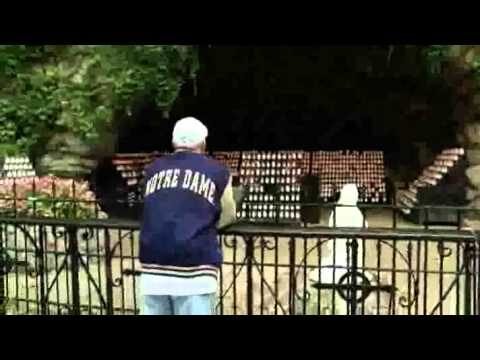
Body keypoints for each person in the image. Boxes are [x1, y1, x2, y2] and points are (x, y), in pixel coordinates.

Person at [139, 117, 237, 315]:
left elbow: (151, 205)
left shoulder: (152, 170)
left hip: (153, 269)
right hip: (195, 271)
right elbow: (229, 213)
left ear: (174, 142)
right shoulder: (218, 172)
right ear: (203, 143)